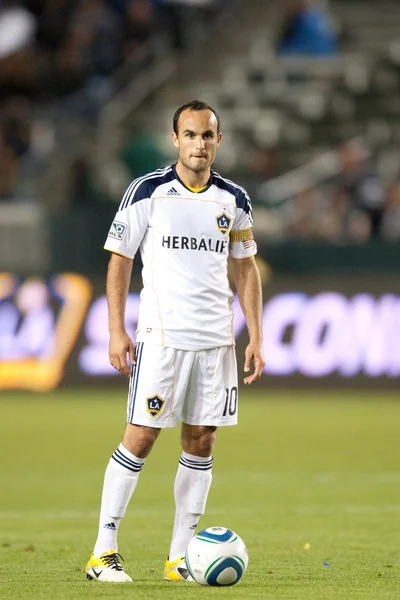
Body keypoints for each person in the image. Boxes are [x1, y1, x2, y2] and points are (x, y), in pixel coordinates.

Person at [85, 100, 265, 583]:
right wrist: (115, 329)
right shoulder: (147, 191)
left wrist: (256, 336)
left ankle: (179, 558)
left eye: (207, 135)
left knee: (201, 442)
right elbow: (119, 260)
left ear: (218, 141)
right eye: (190, 135)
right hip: (163, 338)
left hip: (216, 341)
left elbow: (245, 267)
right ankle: (103, 552)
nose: (199, 144)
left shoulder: (235, 200)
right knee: (141, 436)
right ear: (175, 139)